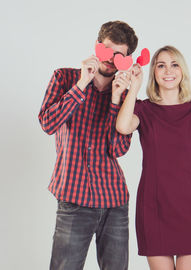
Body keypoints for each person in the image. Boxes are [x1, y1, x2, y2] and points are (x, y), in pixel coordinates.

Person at [116, 46, 191, 270]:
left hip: (190, 204)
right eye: (161, 65)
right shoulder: (143, 109)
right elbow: (122, 126)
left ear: (182, 71)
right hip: (154, 203)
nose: (168, 70)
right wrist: (134, 88)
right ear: (154, 73)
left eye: (174, 64)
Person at [38, 20, 138, 270]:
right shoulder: (65, 77)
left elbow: (118, 149)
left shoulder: (125, 95)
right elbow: (48, 124)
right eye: (106, 50)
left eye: (119, 55)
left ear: (127, 59)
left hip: (114, 201)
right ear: (97, 47)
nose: (110, 59)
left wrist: (116, 99)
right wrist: (82, 83)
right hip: (73, 198)